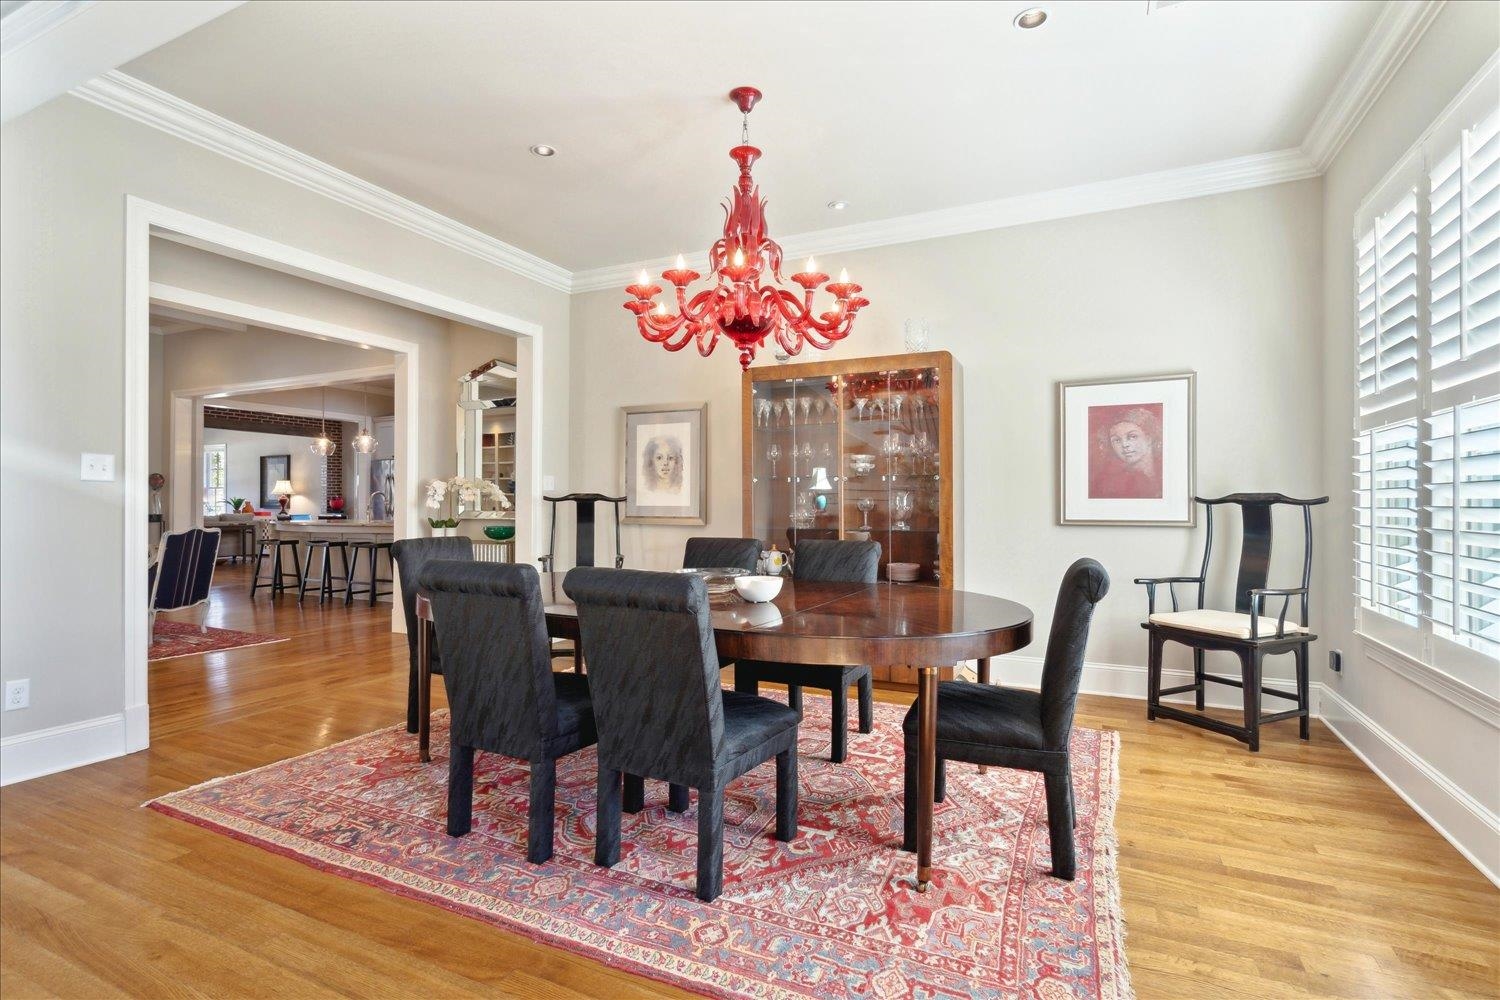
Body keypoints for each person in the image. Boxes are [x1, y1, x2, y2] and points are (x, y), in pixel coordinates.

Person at [1089, 406, 1162, 499]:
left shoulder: (1168, 471)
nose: (1124, 444)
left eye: (1132, 436)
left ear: (1149, 438)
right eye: (1117, 440)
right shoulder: (1111, 484)